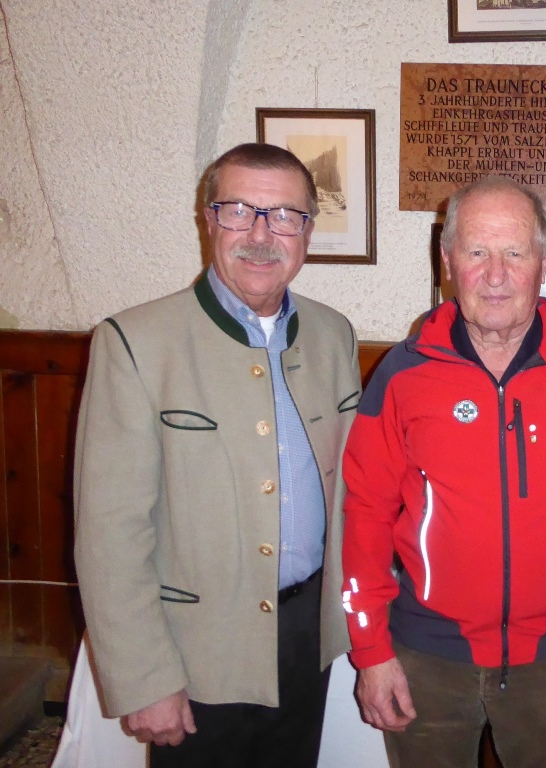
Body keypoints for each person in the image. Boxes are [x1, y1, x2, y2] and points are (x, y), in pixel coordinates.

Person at [340, 176, 546, 767]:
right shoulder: (402, 376)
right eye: (476, 251)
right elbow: (364, 512)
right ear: (447, 259)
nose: (495, 273)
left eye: (514, 252)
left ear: (544, 262)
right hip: (424, 658)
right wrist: (371, 650)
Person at [73, 143, 361, 768]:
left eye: (285, 215)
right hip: (196, 649)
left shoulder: (334, 334)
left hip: (306, 635)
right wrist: (146, 677)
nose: (261, 234)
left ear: (307, 231)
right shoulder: (136, 343)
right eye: (239, 211)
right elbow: (108, 532)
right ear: (209, 219)